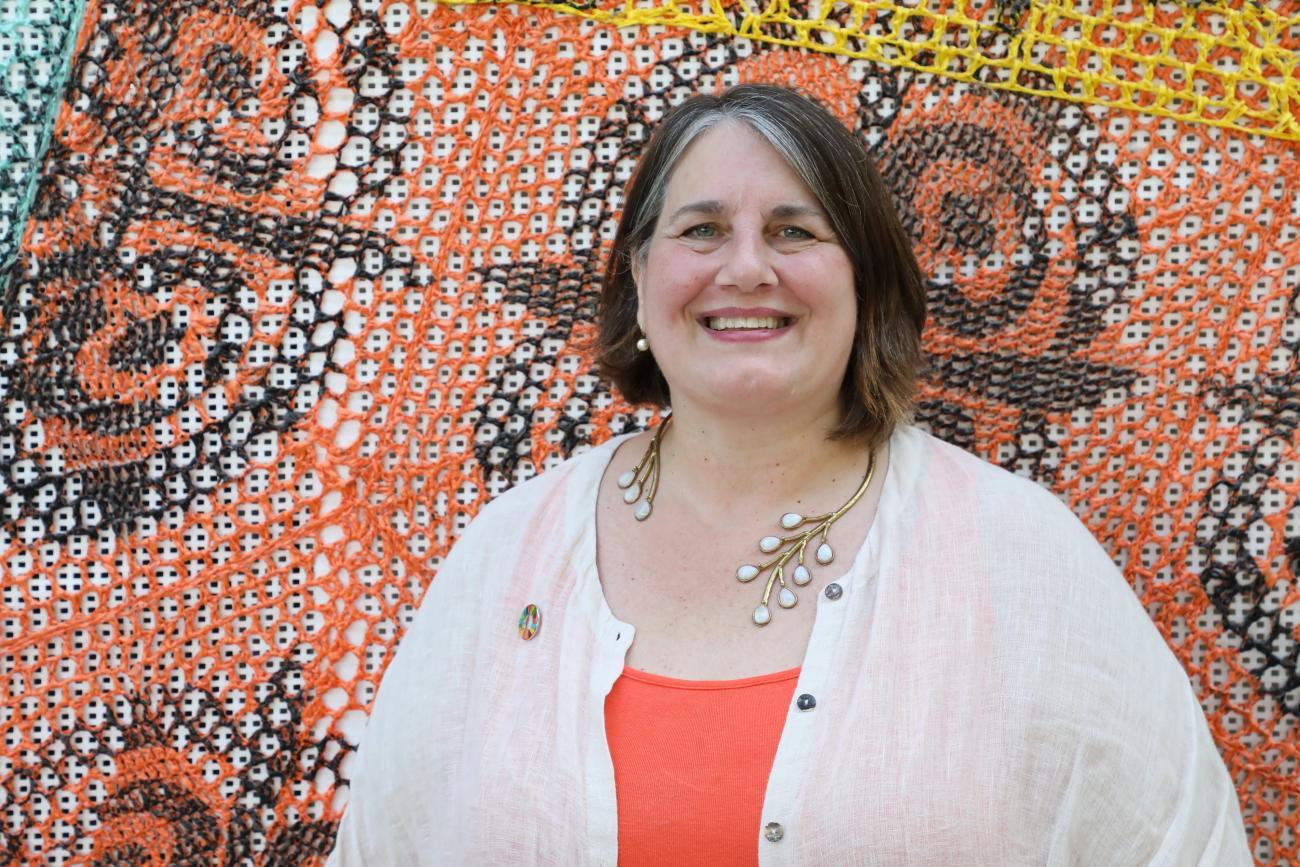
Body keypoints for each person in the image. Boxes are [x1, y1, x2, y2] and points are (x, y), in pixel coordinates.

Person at [327, 85, 1250, 865]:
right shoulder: (508, 554)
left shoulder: (1021, 558)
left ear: (865, 284)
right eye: (701, 229)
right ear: (640, 278)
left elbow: (1181, 842)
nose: (746, 266)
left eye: (794, 229)